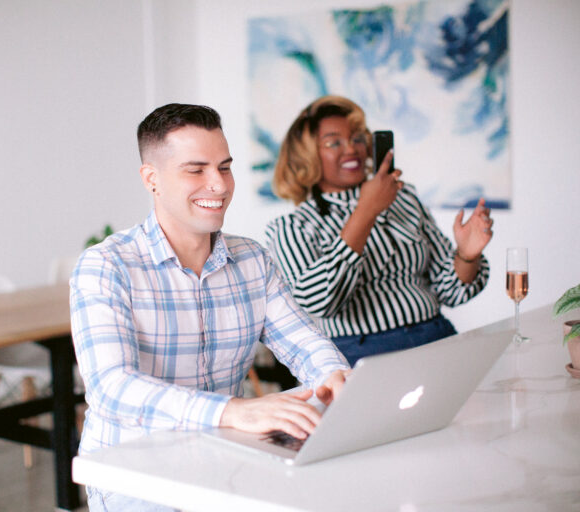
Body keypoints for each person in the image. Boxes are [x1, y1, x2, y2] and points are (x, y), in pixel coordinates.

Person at [70, 103, 349, 511]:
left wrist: (333, 377)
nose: (218, 185)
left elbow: (305, 343)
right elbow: (112, 388)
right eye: (196, 170)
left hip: (226, 458)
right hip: (137, 472)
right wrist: (233, 412)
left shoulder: (252, 259)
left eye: (224, 167)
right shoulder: (106, 265)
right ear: (151, 179)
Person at [265, 95, 493, 367]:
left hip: (436, 337)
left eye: (357, 138)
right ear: (306, 156)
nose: (352, 148)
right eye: (334, 142)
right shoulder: (291, 227)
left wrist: (466, 255)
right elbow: (321, 301)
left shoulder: (404, 197)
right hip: (361, 354)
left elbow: (451, 291)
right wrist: (366, 211)